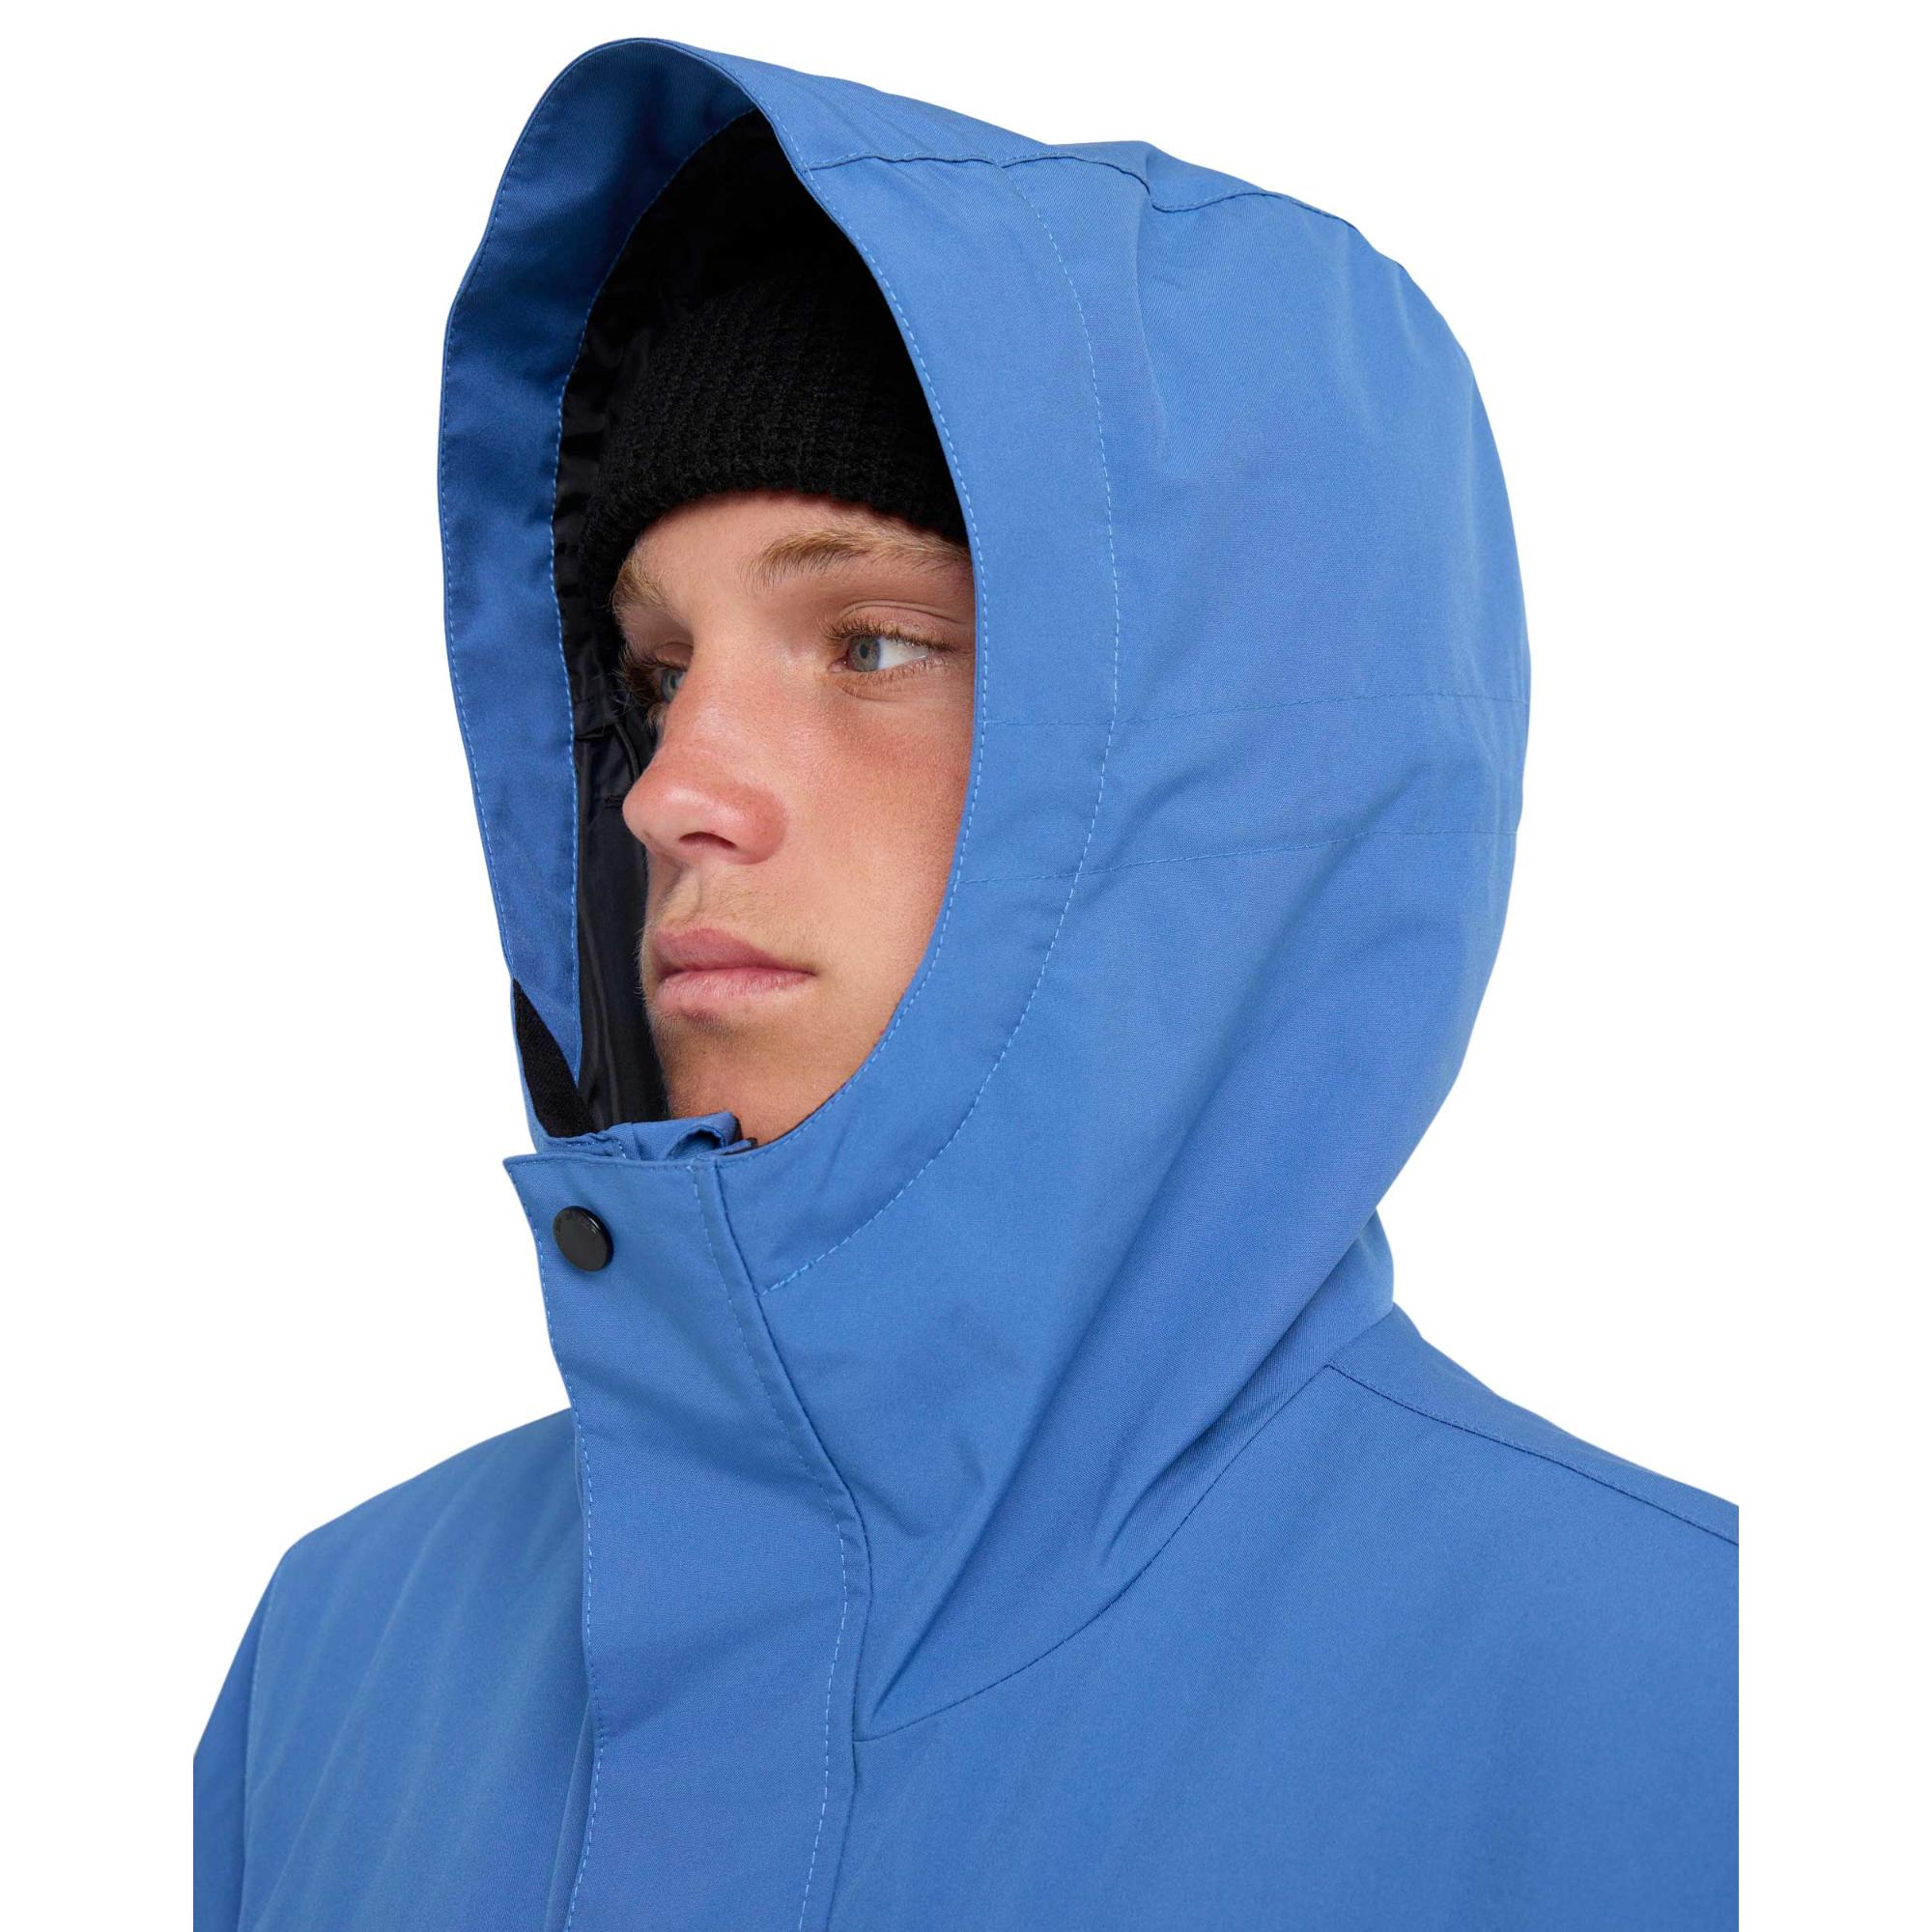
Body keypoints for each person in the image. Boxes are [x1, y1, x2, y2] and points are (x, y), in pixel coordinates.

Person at [194, 36, 1738, 1932]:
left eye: (868, 644)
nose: (670, 792)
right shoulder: (345, 1663)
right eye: (657, 672)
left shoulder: (1702, 1727)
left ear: (1229, 768)